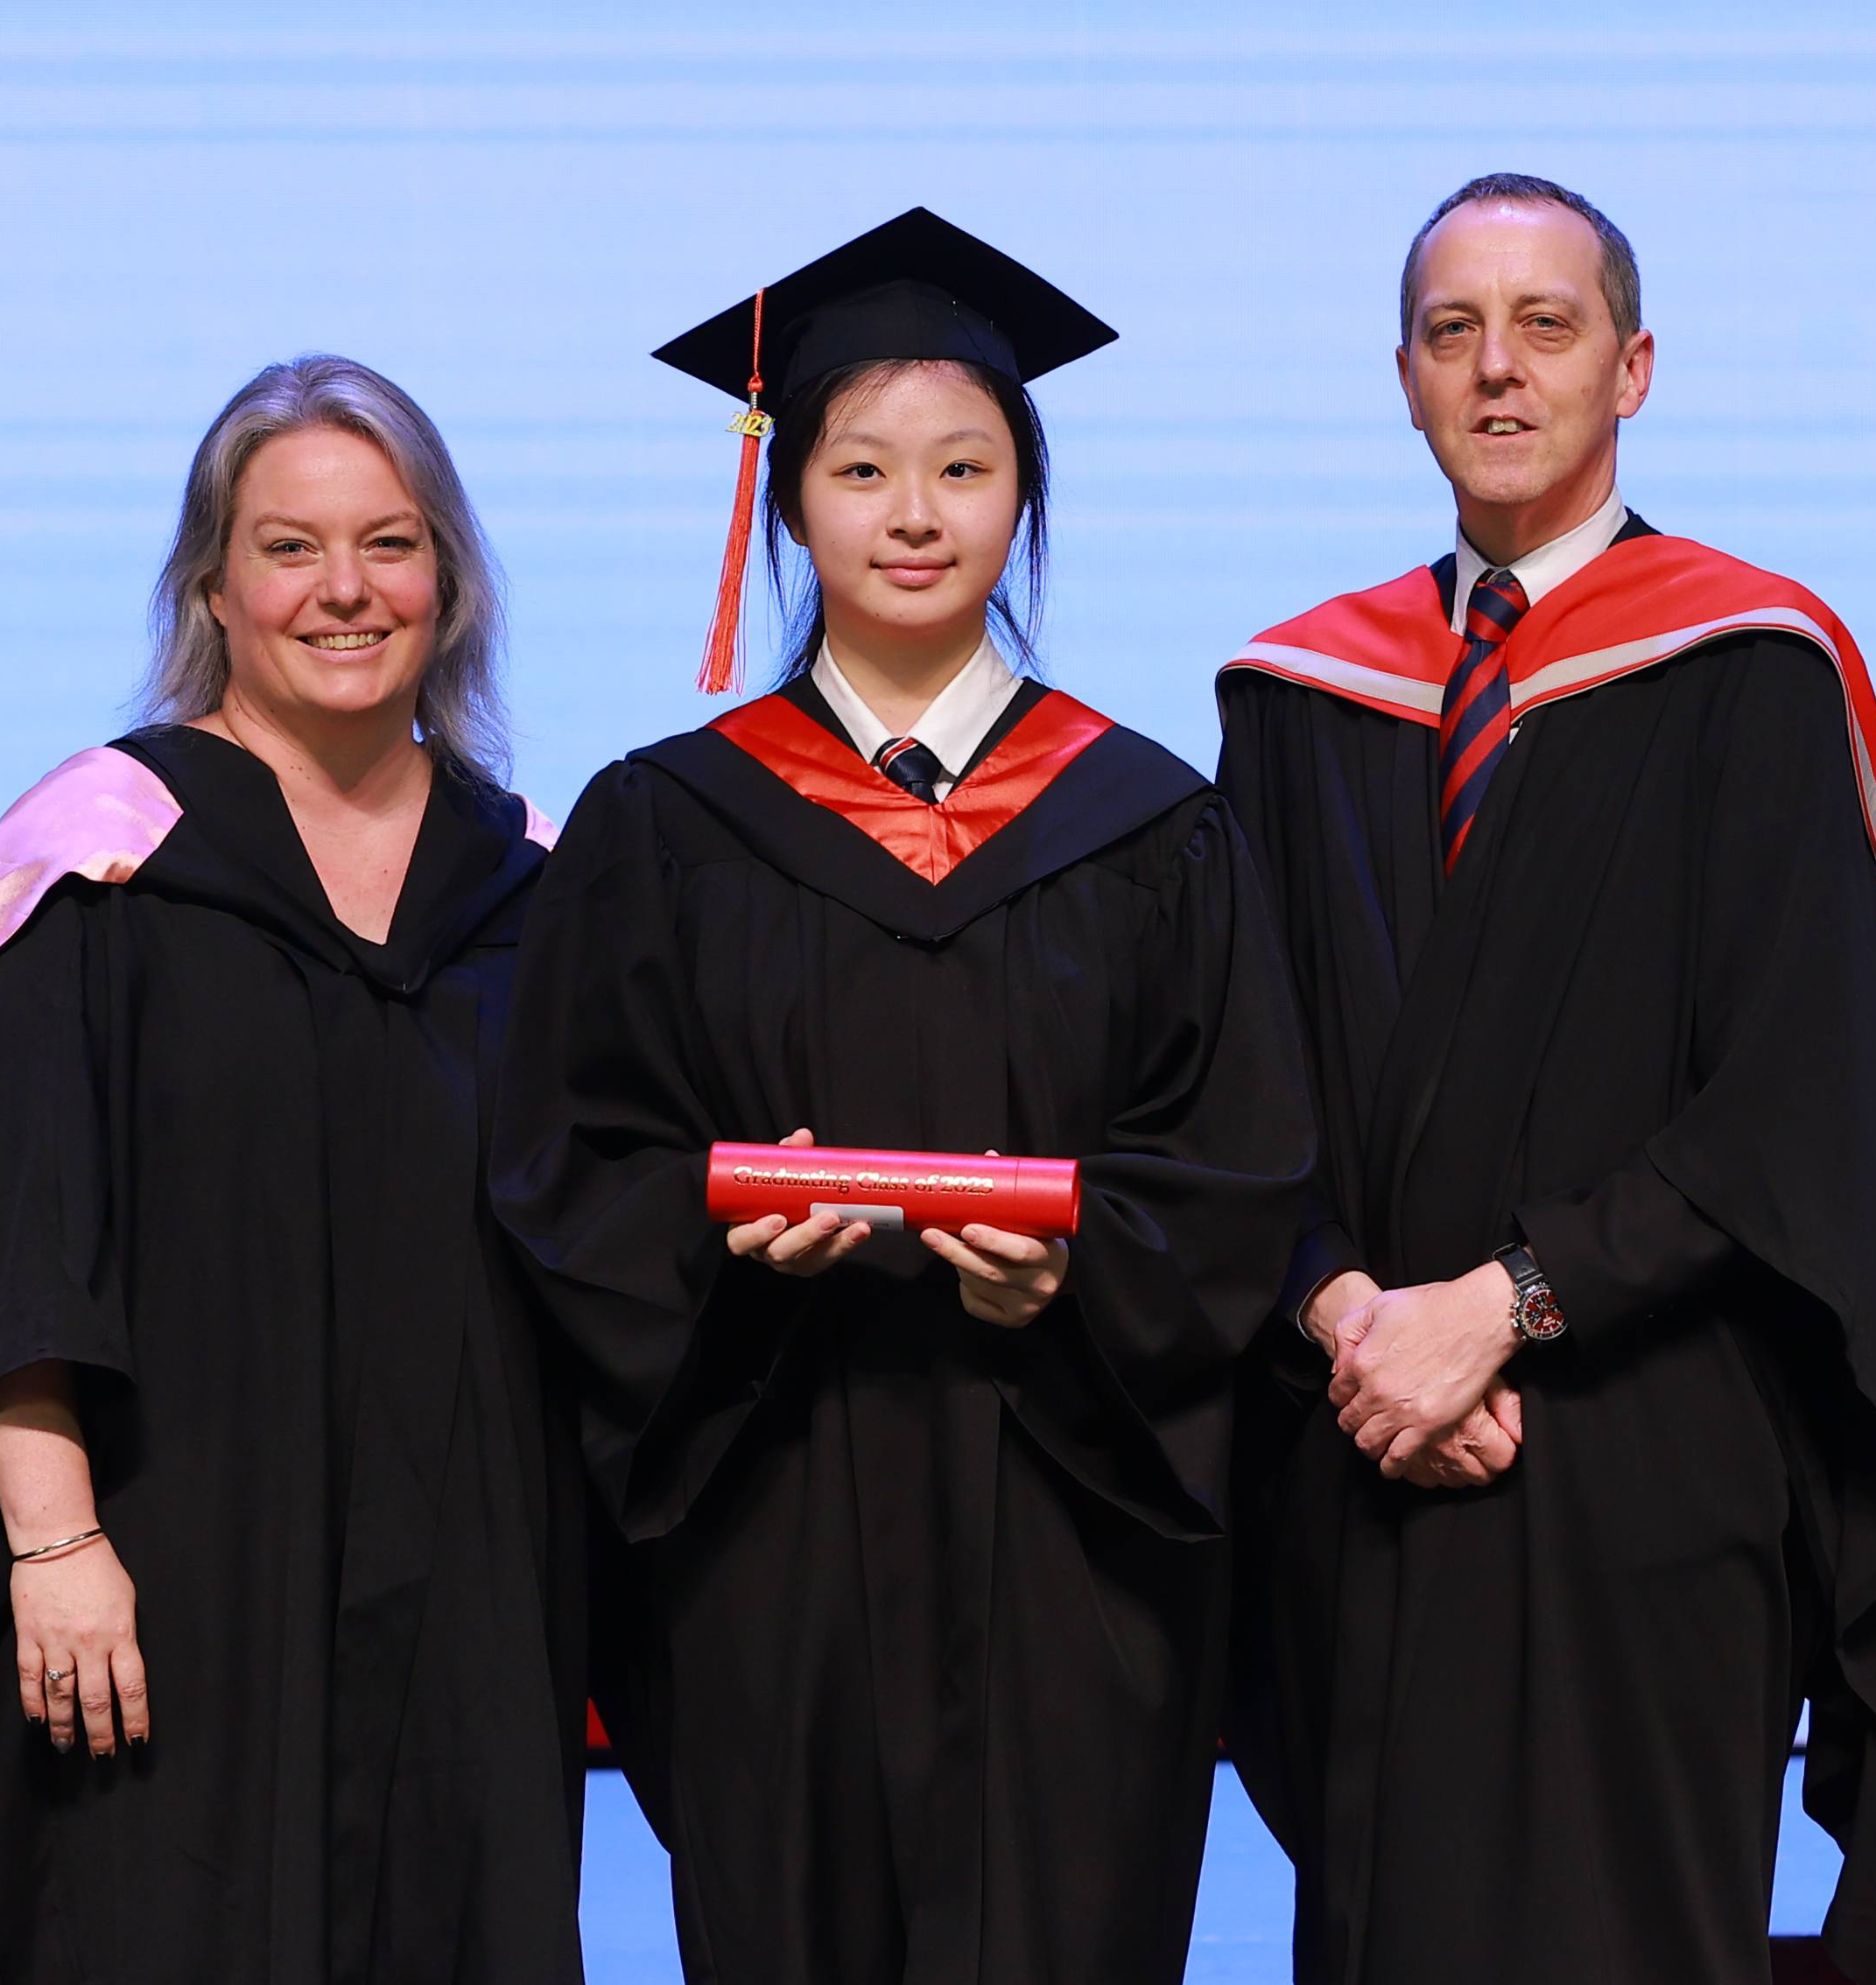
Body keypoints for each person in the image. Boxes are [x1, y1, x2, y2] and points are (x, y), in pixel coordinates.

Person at [489, 208, 1310, 1985]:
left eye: (964, 467)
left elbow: (1237, 1166)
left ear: (1024, 498)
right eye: (862, 469)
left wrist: (1080, 1269)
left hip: (1073, 1530)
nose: (915, 514)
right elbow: (572, 1158)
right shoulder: (665, 826)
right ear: (790, 502)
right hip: (772, 1518)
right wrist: (723, 1243)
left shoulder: (1152, 825)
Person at [1212, 175, 1876, 1984]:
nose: (1499, 367)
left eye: (1545, 326)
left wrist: (1503, 1306)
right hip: (1372, 1445)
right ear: (1405, 377)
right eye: (1454, 331)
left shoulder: (1749, 672)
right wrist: (1353, 1321)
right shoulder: (1301, 700)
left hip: (1644, 1453)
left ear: (1632, 369)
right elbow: (1237, 1093)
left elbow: (1789, 1104)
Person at [0, 354, 584, 1983]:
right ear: (214, 589)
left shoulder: (530, 893)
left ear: (449, 584)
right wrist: (58, 1547)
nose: (344, 590)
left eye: (390, 543)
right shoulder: (92, 874)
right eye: (289, 548)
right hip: (161, 1595)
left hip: (461, 1613)